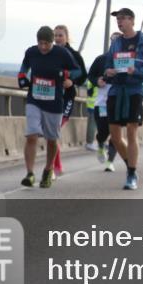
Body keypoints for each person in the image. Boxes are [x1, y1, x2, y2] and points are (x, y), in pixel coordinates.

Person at [104, 8, 143, 190]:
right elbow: (107, 66)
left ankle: (131, 173)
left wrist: (136, 71)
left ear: (132, 20)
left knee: (131, 130)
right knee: (114, 136)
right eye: (117, 19)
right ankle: (131, 164)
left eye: (122, 19)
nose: (119, 22)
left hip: (134, 90)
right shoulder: (116, 43)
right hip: (115, 91)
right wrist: (108, 71)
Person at [17, 26, 80, 188]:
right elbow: (24, 66)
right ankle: (30, 173)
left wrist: (68, 78)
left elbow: (77, 71)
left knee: (52, 140)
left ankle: (47, 169)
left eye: (47, 43)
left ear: (52, 42)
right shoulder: (31, 52)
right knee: (31, 135)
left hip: (54, 103)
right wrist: (22, 76)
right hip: (34, 100)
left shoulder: (61, 53)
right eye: (40, 43)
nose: (43, 47)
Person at [51, 25, 88, 177]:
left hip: (67, 98)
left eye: (60, 35)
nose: (58, 38)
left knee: (55, 130)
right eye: (55, 35)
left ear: (66, 37)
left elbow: (83, 75)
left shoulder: (74, 55)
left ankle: (55, 166)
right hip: (51, 96)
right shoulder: (49, 53)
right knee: (52, 132)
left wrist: (72, 81)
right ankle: (55, 165)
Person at [87, 33, 120, 170]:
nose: (116, 44)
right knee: (103, 131)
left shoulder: (126, 60)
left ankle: (110, 162)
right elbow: (90, 75)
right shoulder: (101, 59)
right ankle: (100, 143)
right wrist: (97, 81)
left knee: (115, 132)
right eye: (114, 41)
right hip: (102, 102)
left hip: (118, 100)